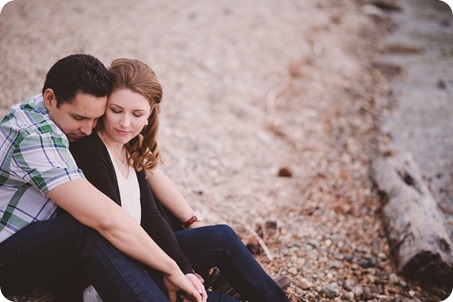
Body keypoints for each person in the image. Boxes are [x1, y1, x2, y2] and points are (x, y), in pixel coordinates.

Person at [69, 58, 291, 302]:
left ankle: (251, 289)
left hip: (147, 256)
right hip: (119, 270)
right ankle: (228, 287)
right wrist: (175, 271)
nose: (125, 123)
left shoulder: (128, 147)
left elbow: (152, 217)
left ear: (150, 113)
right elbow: (115, 235)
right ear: (104, 105)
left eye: (137, 114)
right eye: (116, 110)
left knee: (222, 237)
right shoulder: (91, 151)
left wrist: (185, 268)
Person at [0, 54, 206, 302]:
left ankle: (200, 281)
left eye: (96, 118)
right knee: (87, 227)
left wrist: (192, 220)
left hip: (39, 240)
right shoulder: (36, 140)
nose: (88, 130)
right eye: (80, 118)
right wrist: (172, 269)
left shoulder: (53, 105)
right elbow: (107, 219)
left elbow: (145, 169)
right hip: (8, 260)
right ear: (50, 98)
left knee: (149, 205)